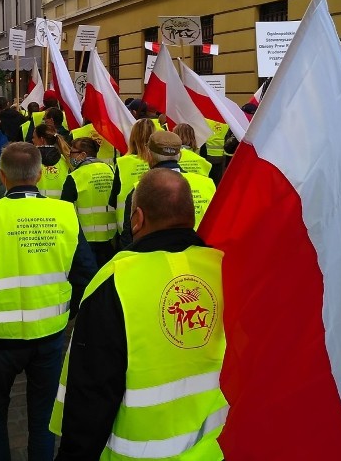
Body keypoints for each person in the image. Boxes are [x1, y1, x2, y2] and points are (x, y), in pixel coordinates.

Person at [52, 168, 226, 459]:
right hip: (214, 451)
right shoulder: (225, 270)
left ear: (138, 218)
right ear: (191, 217)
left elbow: (91, 394)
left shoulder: (113, 282)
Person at [0, 143, 96, 460]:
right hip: (49, 334)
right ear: (39, 176)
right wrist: (65, 310)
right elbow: (86, 273)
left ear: (2, 177)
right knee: (43, 416)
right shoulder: (65, 213)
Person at [119, 130, 216, 249]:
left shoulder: (140, 190)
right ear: (179, 155)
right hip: (199, 258)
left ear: (149, 155)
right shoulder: (207, 183)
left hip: (155, 261)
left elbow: (128, 238)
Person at [61, 137, 116, 266]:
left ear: (83, 155)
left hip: (86, 240)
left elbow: (65, 210)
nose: (69, 155)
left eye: (73, 152)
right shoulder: (111, 170)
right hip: (111, 237)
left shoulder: (74, 177)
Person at [109, 118, 153, 233]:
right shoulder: (157, 161)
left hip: (127, 224)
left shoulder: (122, 163)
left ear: (132, 137)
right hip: (154, 223)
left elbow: (113, 200)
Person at [33, 123, 70, 199]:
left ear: (42, 140)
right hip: (62, 206)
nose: (32, 140)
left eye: (34, 137)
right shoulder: (66, 159)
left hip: (39, 205)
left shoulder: (32, 159)